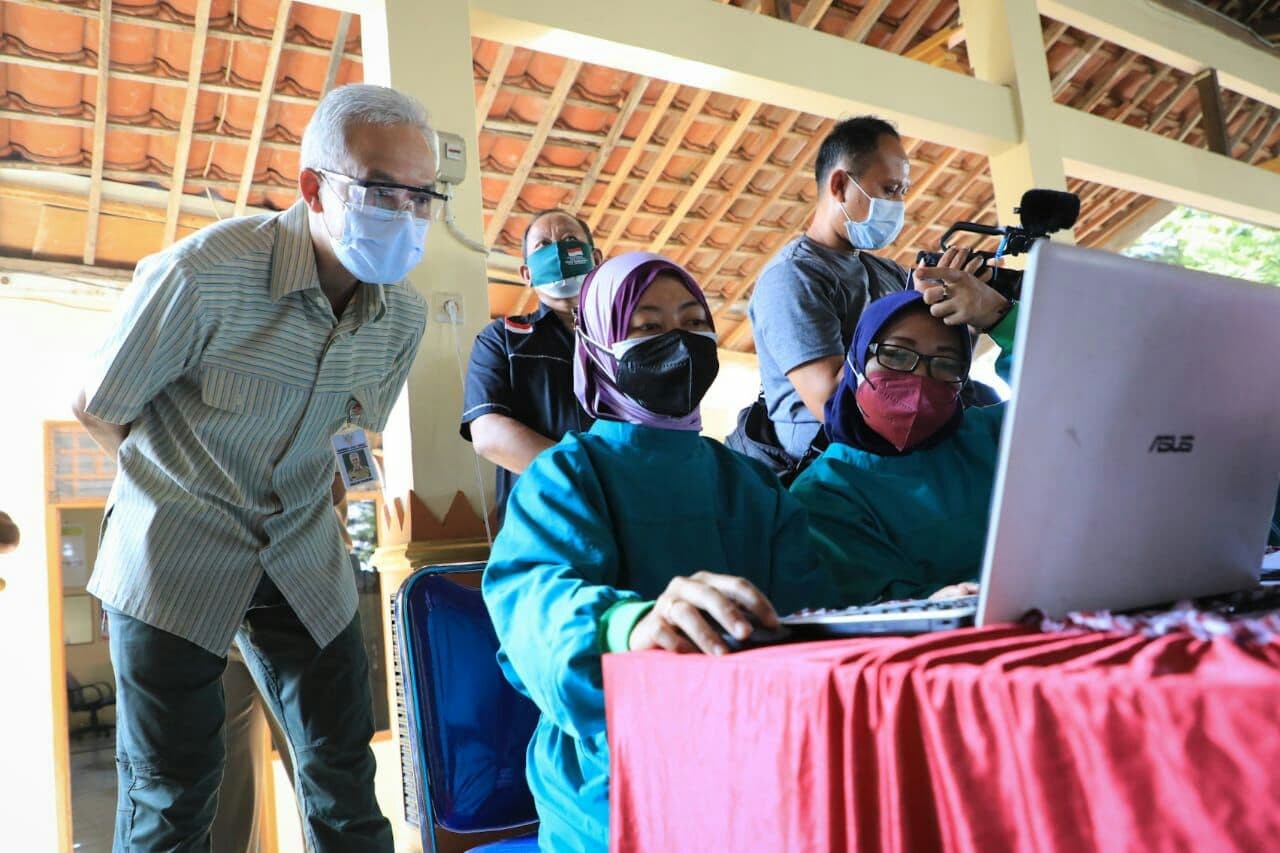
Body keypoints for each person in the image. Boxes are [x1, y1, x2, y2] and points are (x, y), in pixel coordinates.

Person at [70, 83, 434, 851]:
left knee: (344, 782)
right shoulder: (205, 275)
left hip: (303, 556)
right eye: (379, 190)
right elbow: (99, 403)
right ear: (314, 188)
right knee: (173, 797)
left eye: (420, 194)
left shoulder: (401, 315)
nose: (403, 213)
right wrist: (174, 490)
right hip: (173, 557)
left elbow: (351, 436)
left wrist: (332, 507)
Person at [482, 252, 833, 851]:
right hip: (615, 779)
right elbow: (532, 601)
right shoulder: (567, 474)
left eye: (695, 323)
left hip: (752, 754)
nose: (679, 342)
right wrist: (630, 625)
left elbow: (812, 615)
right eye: (646, 327)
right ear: (597, 348)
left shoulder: (748, 483)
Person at [747, 117, 1010, 464]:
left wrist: (967, 314)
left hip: (901, 431)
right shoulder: (792, 278)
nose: (898, 204)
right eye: (889, 190)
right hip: (828, 450)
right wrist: (908, 312)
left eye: (902, 191)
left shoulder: (888, 272)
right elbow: (829, 400)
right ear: (840, 185)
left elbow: (935, 368)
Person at [789, 263, 1018, 605]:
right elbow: (869, 597)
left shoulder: (996, 437)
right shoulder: (825, 492)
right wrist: (931, 601)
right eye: (895, 355)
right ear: (855, 363)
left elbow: (1081, 399)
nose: (919, 379)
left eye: (945, 363)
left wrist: (1001, 318)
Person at [460, 210, 601, 524]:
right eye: (543, 246)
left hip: (628, 515)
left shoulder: (625, 339)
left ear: (596, 258)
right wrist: (587, 476)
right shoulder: (502, 339)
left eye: (569, 241)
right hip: (542, 522)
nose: (558, 251)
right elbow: (487, 433)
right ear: (527, 273)